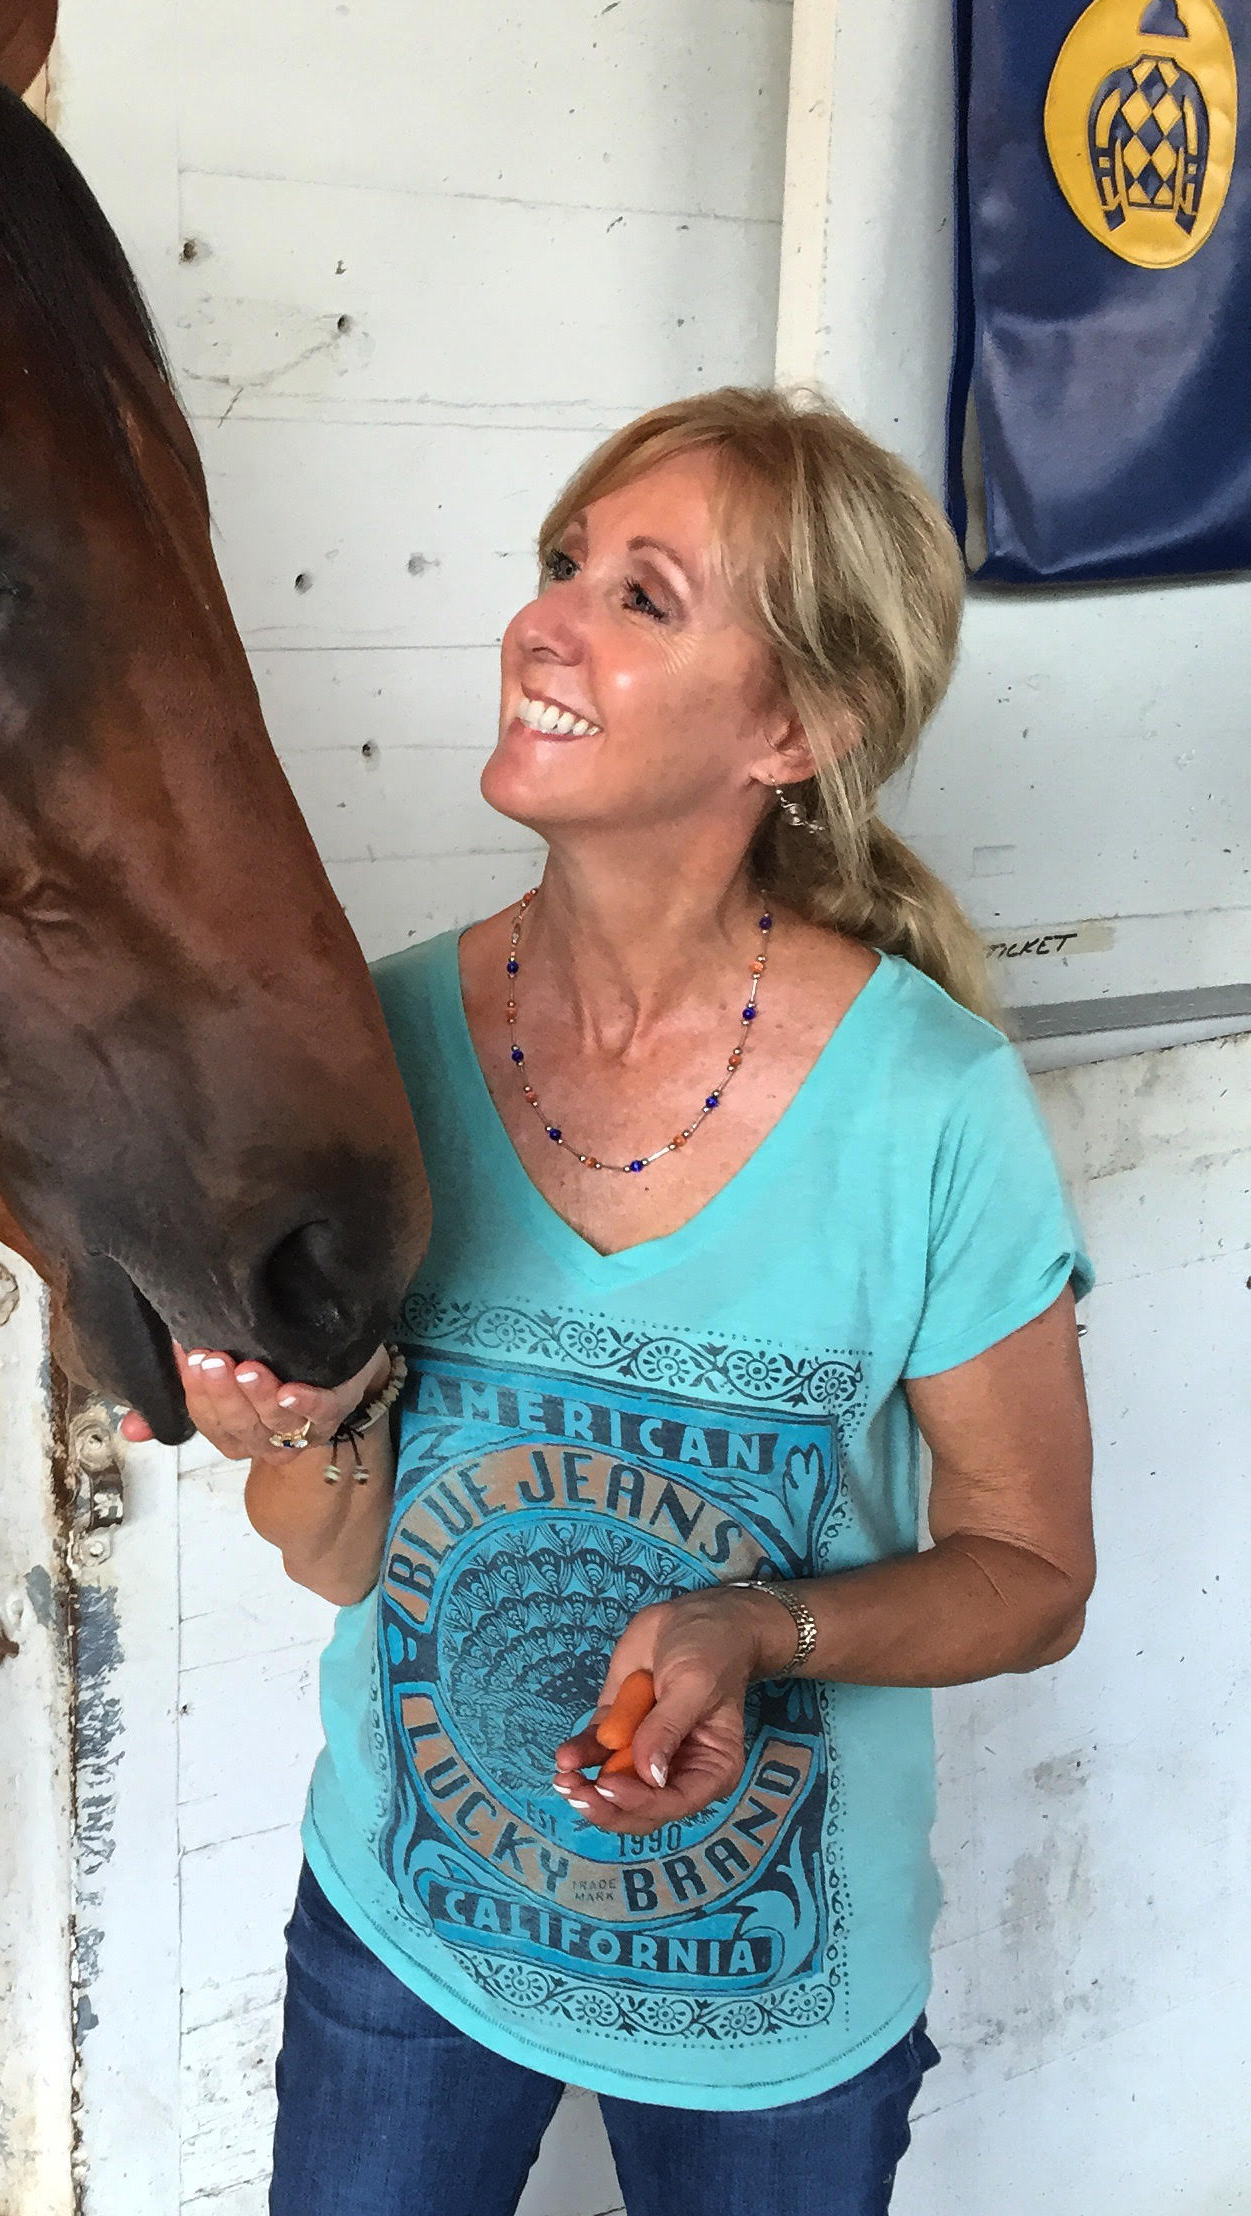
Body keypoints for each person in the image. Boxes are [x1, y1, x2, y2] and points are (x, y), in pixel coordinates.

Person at [132, 389, 1096, 2216]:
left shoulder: (929, 1104)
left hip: (774, 2021)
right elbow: (332, 1558)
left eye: (643, 596)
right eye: (561, 564)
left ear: (798, 727)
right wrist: (305, 1426)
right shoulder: (373, 1043)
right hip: (407, 1943)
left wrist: (755, 1628)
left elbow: (1035, 1574)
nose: (546, 622)